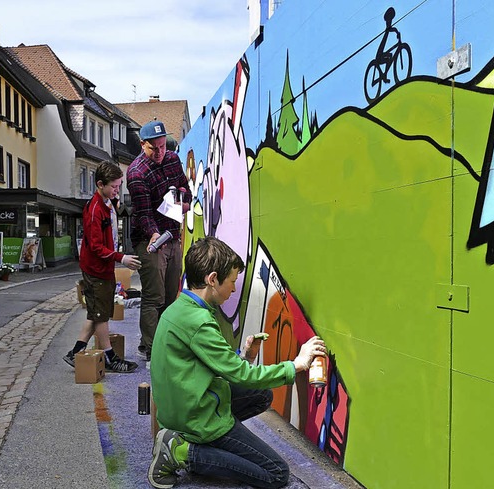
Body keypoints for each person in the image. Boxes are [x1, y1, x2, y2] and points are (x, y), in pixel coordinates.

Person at [147, 236, 326, 489]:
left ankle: (202, 446)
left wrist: (247, 356)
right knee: (276, 473)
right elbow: (241, 375)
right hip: (195, 418)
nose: (233, 289)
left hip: (182, 408)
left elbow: (213, 365)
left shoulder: (180, 308)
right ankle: (182, 452)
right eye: (231, 282)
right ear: (212, 280)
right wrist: (296, 364)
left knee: (261, 395)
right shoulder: (199, 321)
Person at [64, 161, 141, 373]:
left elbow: (121, 213)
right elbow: (97, 247)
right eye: (114, 186)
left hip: (102, 268)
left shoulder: (108, 202)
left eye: (120, 185)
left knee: (97, 312)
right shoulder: (95, 209)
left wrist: (117, 202)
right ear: (100, 184)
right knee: (100, 315)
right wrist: (121, 258)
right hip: (96, 269)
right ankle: (109, 356)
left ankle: (76, 353)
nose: (118, 190)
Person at [126, 120, 191, 361]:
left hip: (172, 234)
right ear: (143, 145)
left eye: (163, 146)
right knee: (154, 296)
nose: (160, 153)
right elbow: (143, 213)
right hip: (149, 240)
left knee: (171, 294)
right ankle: (151, 347)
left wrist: (184, 203)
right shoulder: (136, 173)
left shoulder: (173, 160)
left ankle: (165, 341)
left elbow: (186, 188)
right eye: (154, 148)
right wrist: (154, 234)